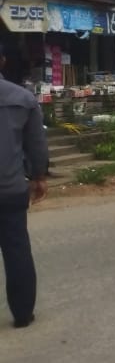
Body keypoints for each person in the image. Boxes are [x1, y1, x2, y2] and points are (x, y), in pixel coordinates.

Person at [0, 44, 47, 328]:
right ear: (3, 60)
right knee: (17, 251)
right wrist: (39, 176)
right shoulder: (23, 98)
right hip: (11, 190)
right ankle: (22, 313)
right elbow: (36, 145)